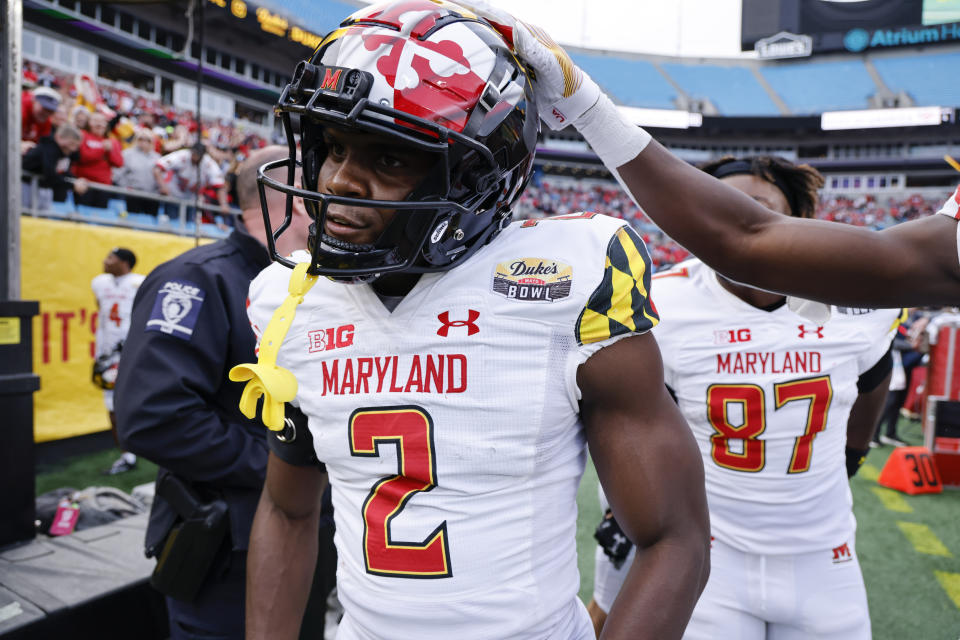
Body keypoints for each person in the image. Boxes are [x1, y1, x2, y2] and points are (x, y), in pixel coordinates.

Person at [238, 4, 710, 639]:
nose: (341, 181)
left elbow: (674, 538)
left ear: (472, 179)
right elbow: (288, 509)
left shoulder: (564, 281)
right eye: (335, 147)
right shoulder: (287, 301)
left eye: (391, 159)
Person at [455, 1, 960, 309]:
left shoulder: (858, 318)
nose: (750, 205)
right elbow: (744, 239)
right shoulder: (672, 301)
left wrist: (586, 103)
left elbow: (746, 238)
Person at [587, 156, 901, 640]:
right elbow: (640, 427)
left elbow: (875, 379)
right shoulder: (665, 304)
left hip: (824, 556)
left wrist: (850, 457)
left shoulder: (857, 299)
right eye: (714, 213)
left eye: (752, 211)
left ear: (794, 223)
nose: (733, 230)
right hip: (711, 553)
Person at [114, 146, 319, 640]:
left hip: (304, 537)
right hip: (226, 549)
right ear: (294, 198)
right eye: (319, 189)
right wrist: (285, 467)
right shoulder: (198, 278)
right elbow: (153, 415)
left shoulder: (309, 284)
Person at [91, 248, 145, 475]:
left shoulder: (138, 283)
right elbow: (100, 309)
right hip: (108, 354)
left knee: (139, 400)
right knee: (111, 405)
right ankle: (127, 455)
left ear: (124, 263)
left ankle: (145, 446)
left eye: (111, 258)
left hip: (132, 351)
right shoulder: (99, 282)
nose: (105, 261)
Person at [21, 123, 89, 210]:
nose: (73, 149)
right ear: (59, 137)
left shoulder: (64, 153)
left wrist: (75, 180)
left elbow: (62, 171)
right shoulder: (49, 147)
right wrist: (72, 185)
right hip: (27, 185)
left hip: (42, 188)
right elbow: (50, 174)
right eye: (71, 144)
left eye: (76, 146)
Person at [153, 142, 229, 220]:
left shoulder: (209, 163)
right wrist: (163, 186)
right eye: (194, 153)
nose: (195, 156)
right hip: (174, 196)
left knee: (189, 225)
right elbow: (157, 168)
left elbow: (220, 186)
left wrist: (224, 204)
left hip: (191, 200)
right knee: (171, 223)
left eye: (198, 155)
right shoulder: (182, 155)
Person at [73, 111, 124, 208]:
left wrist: (109, 152)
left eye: (102, 121)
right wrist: (102, 150)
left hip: (103, 187)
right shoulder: (82, 135)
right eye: (96, 120)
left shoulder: (113, 141)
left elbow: (119, 163)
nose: (99, 124)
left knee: (99, 215)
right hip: (83, 185)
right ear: (89, 123)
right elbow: (82, 157)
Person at [115, 129, 162, 215]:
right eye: (141, 139)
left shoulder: (157, 157)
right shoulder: (127, 154)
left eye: (147, 139)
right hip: (132, 195)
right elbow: (118, 173)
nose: (144, 142)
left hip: (151, 196)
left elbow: (161, 177)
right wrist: (126, 187)